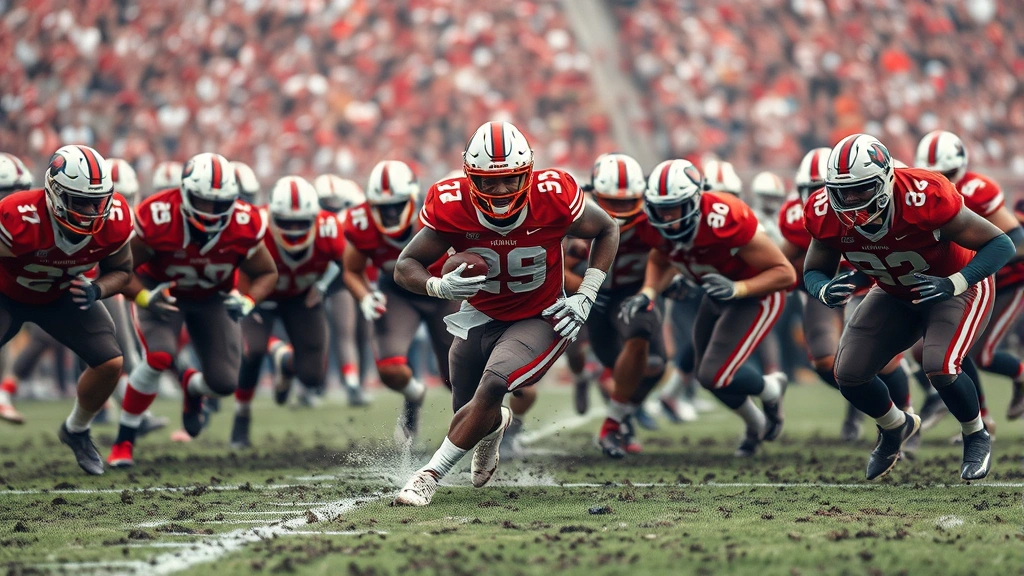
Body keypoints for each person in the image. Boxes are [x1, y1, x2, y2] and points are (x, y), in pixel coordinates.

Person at [392, 121, 619, 506]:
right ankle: (495, 427)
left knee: (494, 384)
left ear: (527, 174)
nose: (500, 191)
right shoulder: (450, 204)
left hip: (541, 315)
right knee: (468, 408)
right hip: (480, 315)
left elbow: (607, 229)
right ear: (470, 177)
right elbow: (406, 264)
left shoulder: (554, 195)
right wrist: (438, 286)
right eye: (488, 182)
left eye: (510, 180)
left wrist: (587, 295)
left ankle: (427, 476)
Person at [803, 133, 1013, 481]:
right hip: (894, 292)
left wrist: (954, 282)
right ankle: (895, 426)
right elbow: (814, 269)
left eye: (862, 189)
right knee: (849, 374)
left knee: (940, 365)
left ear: (886, 179)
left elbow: (1000, 244)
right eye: (843, 192)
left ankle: (976, 434)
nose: (851, 200)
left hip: (957, 285)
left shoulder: (923, 196)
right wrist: (822, 289)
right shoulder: (824, 211)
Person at [107, 152, 278, 467]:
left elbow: (267, 272)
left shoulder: (245, 221)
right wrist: (144, 298)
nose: (211, 211)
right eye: (203, 201)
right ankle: (124, 442)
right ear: (185, 192)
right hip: (164, 295)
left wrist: (248, 300)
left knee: (225, 383)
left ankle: (191, 386)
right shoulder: (158, 216)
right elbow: (120, 269)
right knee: (159, 356)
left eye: (220, 202)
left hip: (212, 299)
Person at [625, 159, 795, 457]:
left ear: (693, 201)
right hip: (717, 296)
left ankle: (771, 387)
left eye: (673, 207)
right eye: (659, 208)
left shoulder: (723, 217)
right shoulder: (653, 224)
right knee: (711, 378)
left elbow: (785, 273)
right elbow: (659, 258)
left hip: (755, 295)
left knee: (714, 375)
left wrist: (737, 288)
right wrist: (649, 291)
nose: (665, 217)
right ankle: (755, 427)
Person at [0, 145, 134, 474]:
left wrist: (98, 289)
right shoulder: (17, 216)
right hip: (6, 295)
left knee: (110, 362)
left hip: (62, 295)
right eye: (81, 200)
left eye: (98, 199)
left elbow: (123, 270)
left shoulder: (114, 218)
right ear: (56, 194)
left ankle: (76, 429)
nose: (93, 210)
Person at [915, 130, 1024, 424]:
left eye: (948, 172)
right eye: (934, 173)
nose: (942, 180)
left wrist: (976, 261)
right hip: (958, 280)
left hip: (1005, 281)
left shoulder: (976, 189)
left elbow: (1014, 236)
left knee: (981, 355)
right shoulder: (914, 194)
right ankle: (982, 418)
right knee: (945, 352)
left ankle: (1019, 379)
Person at [341, 160, 454, 443]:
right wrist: (364, 295)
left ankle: (483, 427)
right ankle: (413, 395)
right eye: (383, 206)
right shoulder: (361, 222)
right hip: (398, 293)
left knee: (455, 377)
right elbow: (351, 270)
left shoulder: (437, 213)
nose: (390, 213)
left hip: (444, 292)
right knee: (390, 368)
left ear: (413, 199)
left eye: (397, 205)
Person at [230, 176, 343, 447]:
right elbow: (236, 264)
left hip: (301, 299)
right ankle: (241, 419)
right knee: (253, 349)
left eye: (301, 222)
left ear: (315, 217)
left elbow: (349, 266)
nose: (293, 230)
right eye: (286, 222)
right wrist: (245, 299)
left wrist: (325, 286)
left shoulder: (329, 228)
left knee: (313, 376)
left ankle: (287, 363)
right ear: (272, 215)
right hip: (260, 296)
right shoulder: (255, 226)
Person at [575, 153, 668, 458]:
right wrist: (583, 288)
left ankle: (617, 421)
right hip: (597, 298)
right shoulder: (578, 216)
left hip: (636, 292)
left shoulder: (654, 217)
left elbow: (673, 257)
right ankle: (621, 419)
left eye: (629, 201)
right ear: (595, 194)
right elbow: (553, 266)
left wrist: (662, 285)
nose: (622, 210)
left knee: (653, 365)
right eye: (612, 201)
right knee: (616, 365)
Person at [315, 174, 373, 406]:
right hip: (333, 279)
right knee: (339, 332)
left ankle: (355, 382)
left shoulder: (356, 216)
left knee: (361, 333)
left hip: (352, 276)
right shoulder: (319, 222)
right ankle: (343, 384)